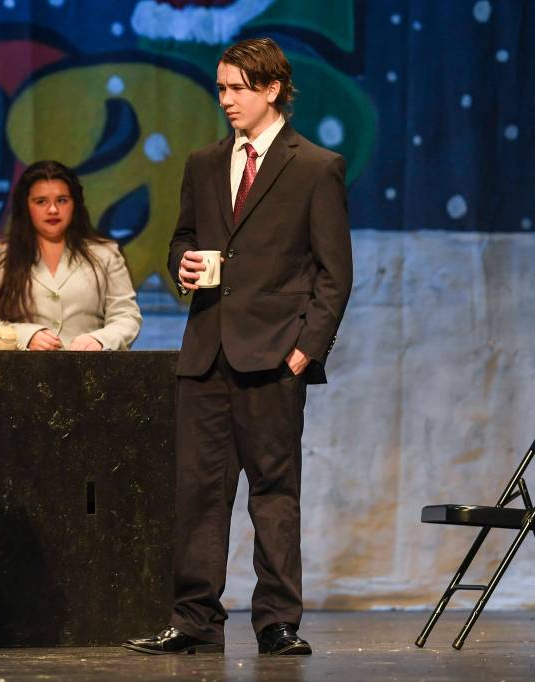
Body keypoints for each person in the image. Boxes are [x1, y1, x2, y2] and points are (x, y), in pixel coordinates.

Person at [123, 37, 352, 656]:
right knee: (198, 491)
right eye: (220, 88)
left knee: (274, 492)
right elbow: (181, 241)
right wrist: (185, 266)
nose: (225, 99)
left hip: (276, 354)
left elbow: (334, 273)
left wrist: (308, 349)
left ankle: (277, 620)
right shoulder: (204, 162)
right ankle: (194, 617)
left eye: (237, 88)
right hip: (207, 351)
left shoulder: (314, 166)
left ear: (272, 89)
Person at [0, 160, 141, 351]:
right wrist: (23, 336)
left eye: (62, 200)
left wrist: (100, 340)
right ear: (26, 206)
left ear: (75, 204)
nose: (53, 210)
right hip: (20, 375)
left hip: (92, 372)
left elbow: (126, 316)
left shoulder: (106, 253)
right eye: (41, 201)